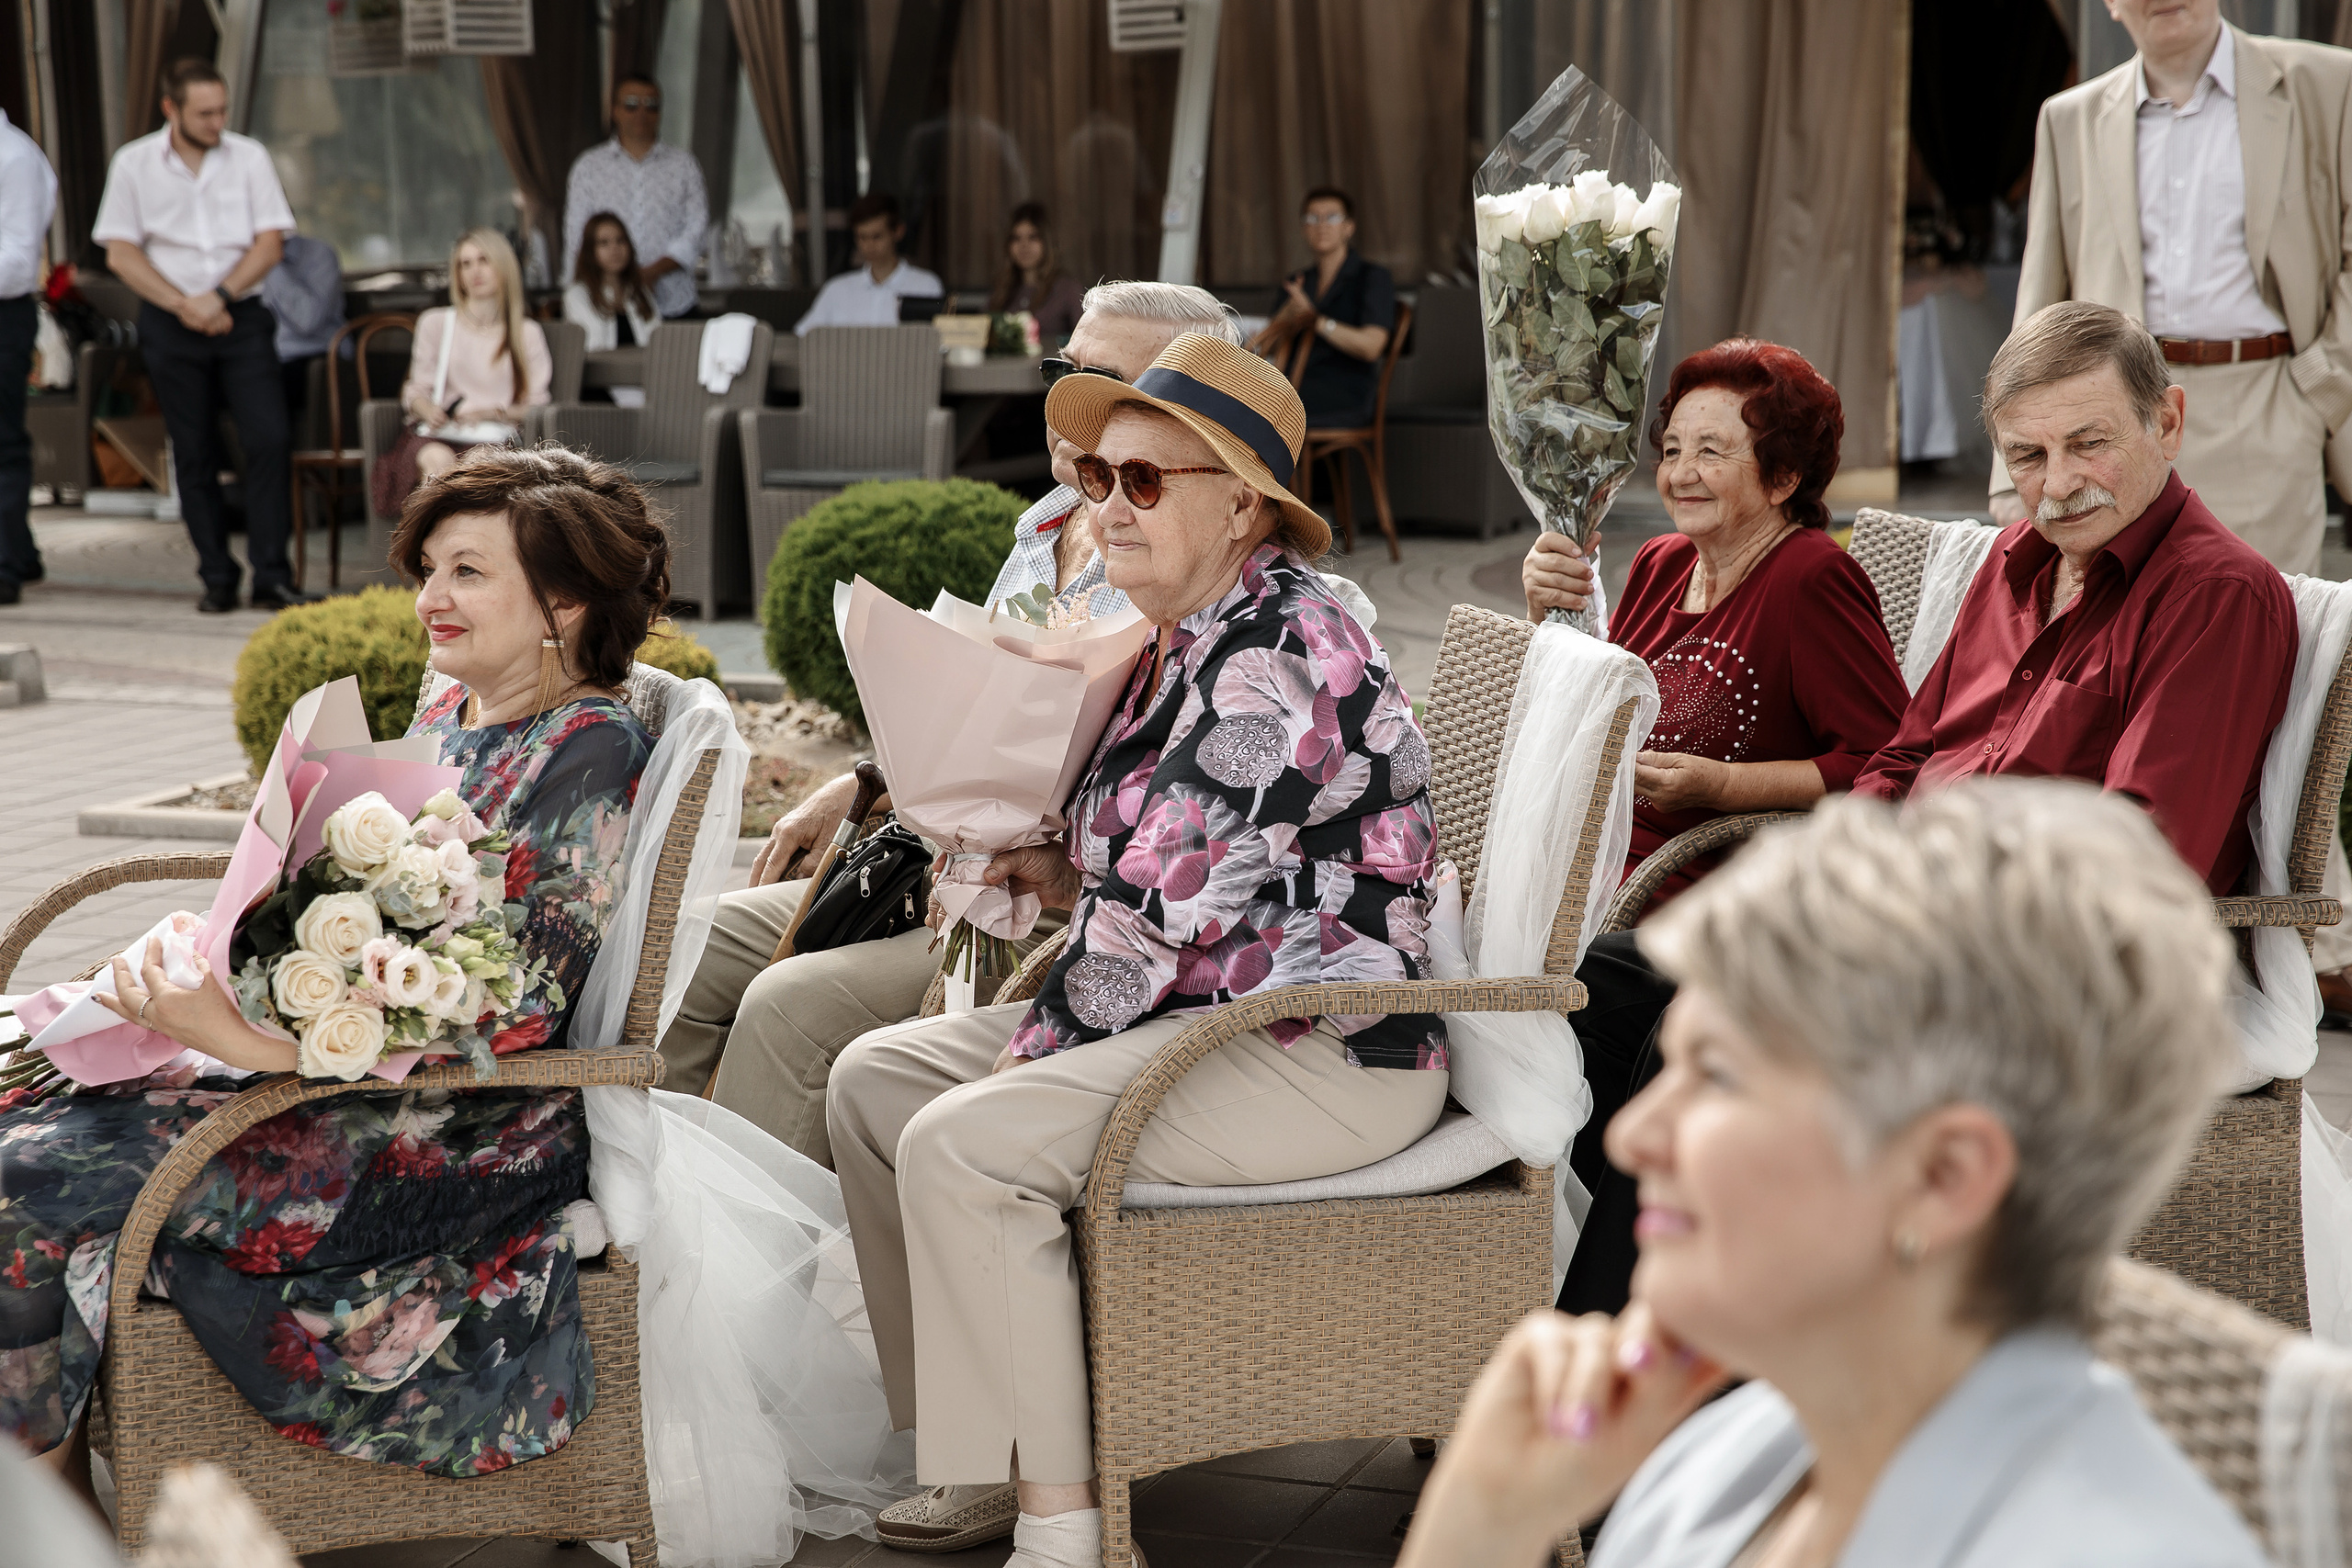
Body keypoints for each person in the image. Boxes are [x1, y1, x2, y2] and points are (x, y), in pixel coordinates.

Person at [826, 333, 1446, 1568]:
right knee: (872, 1083)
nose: (1104, 504)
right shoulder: (1186, 631)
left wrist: (1019, 1065)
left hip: (1327, 1050)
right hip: (1210, 1010)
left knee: (963, 1138)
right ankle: (987, 1447)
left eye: (1145, 482)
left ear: (1243, 506)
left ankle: (1066, 1531)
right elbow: (1168, 874)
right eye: (1099, 476)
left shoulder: (1275, 651)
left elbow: (1154, 918)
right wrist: (1056, 869)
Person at [1, 446, 663, 1495]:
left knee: (26, 1176)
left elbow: (524, 1002)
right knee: (23, 1109)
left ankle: (43, 1513)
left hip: (452, 1132)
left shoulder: (587, 747)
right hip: (334, 1081)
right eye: (428, 570)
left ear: (565, 604)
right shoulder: (454, 714)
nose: (430, 599)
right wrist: (224, 946)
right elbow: (360, 910)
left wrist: (243, 1040)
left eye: (467, 572)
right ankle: (53, 1499)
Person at [1396, 781, 2265, 1568]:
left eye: (1720, 1075)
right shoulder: (1722, 1467)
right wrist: (1483, 1526)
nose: (1633, 1139)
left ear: (1944, 1174)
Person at [657, 281, 1245, 1188]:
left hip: (1032, 904)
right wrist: (867, 778)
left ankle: (754, 1279)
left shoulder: (1192, 583)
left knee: (785, 1008)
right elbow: (983, 710)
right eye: (1062, 371)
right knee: (684, 947)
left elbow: (1172, 825)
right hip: (926, 857)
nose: (1066, 399)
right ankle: (644, 1213)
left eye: (1106, 381)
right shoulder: (1043, 524)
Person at [1523, 341, 1910, 1317]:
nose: (1680, 472)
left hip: (1717, 907)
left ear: (1782, 476)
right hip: (1615, 885)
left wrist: (1728, 789)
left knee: (1566, 1005)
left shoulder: (1812, 580)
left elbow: (1884, 763)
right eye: (1673, 447)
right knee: (1492, 1013)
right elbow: (1598, 715)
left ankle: (1615, 1321)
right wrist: (1550, 618)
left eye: (1713, 452)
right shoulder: (1659, 566)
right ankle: (1537, 1281)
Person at [1856, 300, 2295, 897]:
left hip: (2040, 954)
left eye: (2088, 444)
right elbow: (1903, 758)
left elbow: (2138, 864)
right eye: (2028, 456)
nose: (2058, 485)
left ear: (2167, 424)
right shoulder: (2012, 559)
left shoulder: (2216, 596)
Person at [1994, 2, 2352, 581]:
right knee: (2119, 631)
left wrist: (2318, 390)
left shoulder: (2332, 83)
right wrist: (2010, 465)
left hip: (2265, 403)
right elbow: (2041, 299)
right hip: (2109, 422)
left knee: (2264, 630)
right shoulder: (2069, 118)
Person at [93, 57, 312, 614]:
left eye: (222, 110)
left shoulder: (250, 157)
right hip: (171, 321)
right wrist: (184, 304)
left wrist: (219, 296)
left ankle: (271, 574)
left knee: (268, 439)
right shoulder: (134, 163)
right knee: (192, 452)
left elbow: (271, 243)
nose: (218, 122)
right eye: (205, 113)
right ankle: (216, 575)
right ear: (171, 108)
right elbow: (120, 251)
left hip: (241, 314)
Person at [374, 230, 551, 510]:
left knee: (478, 466)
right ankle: (436, 546)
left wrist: (491, 412)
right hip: (438, 434)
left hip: (494, 438)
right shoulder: (436, 323)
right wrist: (427, 409)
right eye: (464, 264)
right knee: (437, 461)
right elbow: (416, 390)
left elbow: (537, 406)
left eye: (483, 260)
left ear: (503, 266)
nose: (474, 271)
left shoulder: (526, 332)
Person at [561, 73, 707, 321]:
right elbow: (577, 234)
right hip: (606, 304)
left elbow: (697, 228)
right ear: (615, 111)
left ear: (660, 113)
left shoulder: (684, 166)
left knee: (678, 359)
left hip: (673, 299)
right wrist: (577, 290)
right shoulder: (589, 167)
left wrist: (652, 272)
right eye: (631, 104)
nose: (641, 112)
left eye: (651, 105)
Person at [1255, 186, 1395, 427]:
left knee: (1262, 410)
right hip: (1294, 384)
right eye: (1312, 218)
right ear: (1303, 229)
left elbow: (1371, 346)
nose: (1321, 225)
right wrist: (1286, 314)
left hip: (1344, 390)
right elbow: (1268, 347)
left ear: (1349, 227)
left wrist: (1316, 321)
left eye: (1331, 217)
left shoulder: (1372, 277)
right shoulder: (1298, 282)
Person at [0, 104, 57, 608]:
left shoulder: (13, 157)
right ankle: (19, 553)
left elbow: (19, 263)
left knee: (2, 442)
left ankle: (5, 567)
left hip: (4, 314)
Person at [794, 192, 944, 335]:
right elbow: (803, 336)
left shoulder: (926, 286)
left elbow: (940, 341)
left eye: (877, 236)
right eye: (862, 237)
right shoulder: (836, 290)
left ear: (898, 232)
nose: (869, 246)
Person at [261, 230, 345, 448]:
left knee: (265, 385)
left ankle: (285, 478)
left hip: (315, 354)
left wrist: (267, 261)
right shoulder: (232, 259)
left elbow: (307, 320)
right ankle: (228, 476)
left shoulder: (319, 254)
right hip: (265, 355)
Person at [563, 209, 661, 352]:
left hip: (644, 371)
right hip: (602, 372)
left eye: (620, 241)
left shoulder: (640, 291)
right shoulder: (576, 296)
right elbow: (591, 347)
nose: (615, 249)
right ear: (590, 251)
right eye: (604, 243)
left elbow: (659, 341)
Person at [988, 202, 1083, 344]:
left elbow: (1084, 340)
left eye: (1033, 237)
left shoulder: (1067, 289)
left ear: (1046, 242)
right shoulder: (1002, 288)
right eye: (1016, 238)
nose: (1024, 246)